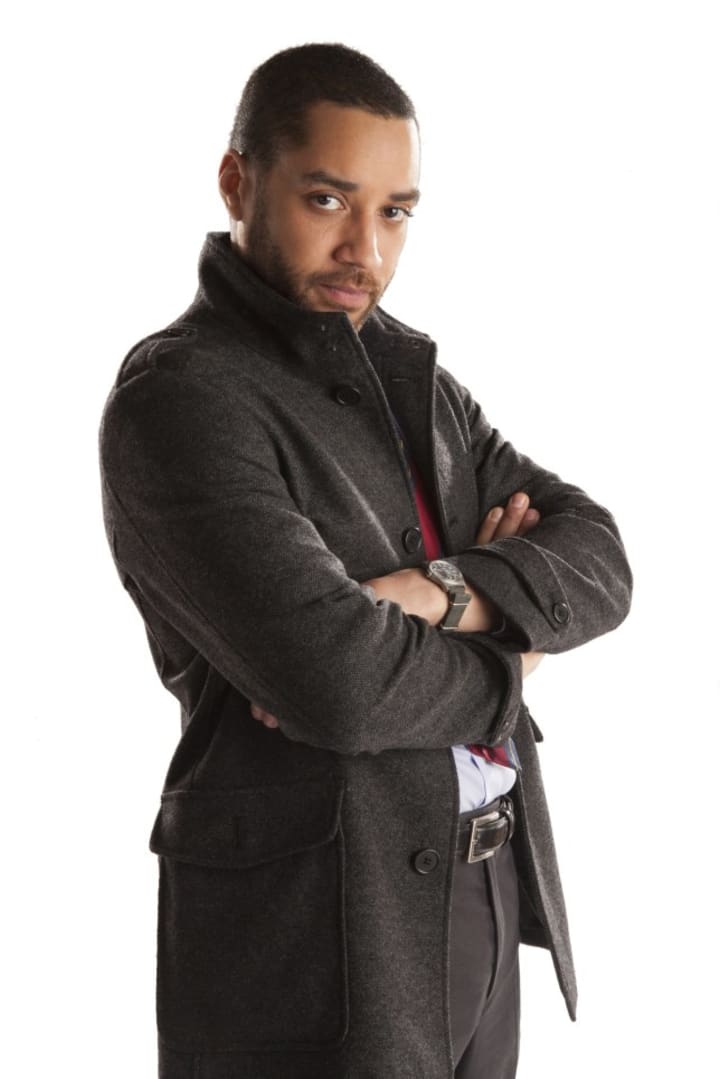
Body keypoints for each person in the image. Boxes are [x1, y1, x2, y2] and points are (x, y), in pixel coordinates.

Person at [99, 43, 632, 1079]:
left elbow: (600, 557)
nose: (367, 250)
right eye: (328, 199)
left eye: (395, 211)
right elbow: (339, 683)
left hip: (483, 894)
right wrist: (513, 653)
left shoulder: (414, 381)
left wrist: (439, 590)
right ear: (237, 182)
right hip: (315, 935)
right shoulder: (184, 398)